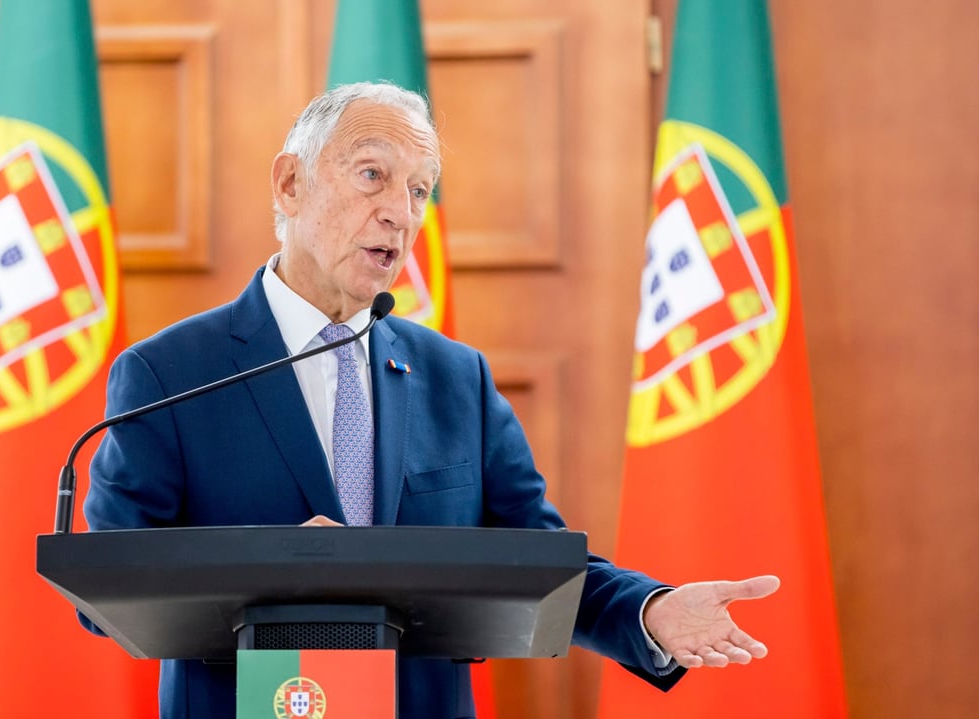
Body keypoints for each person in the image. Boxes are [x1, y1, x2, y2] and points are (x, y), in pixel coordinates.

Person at [82, 82, 780, 719]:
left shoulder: (455, 378)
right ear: (290, 183)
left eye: (420, 190)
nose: (399, 212)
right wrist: (271, 567)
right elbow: (111, 581)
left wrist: (650, 612)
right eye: (372, 175)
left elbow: (535, 555)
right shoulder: (171, 373)